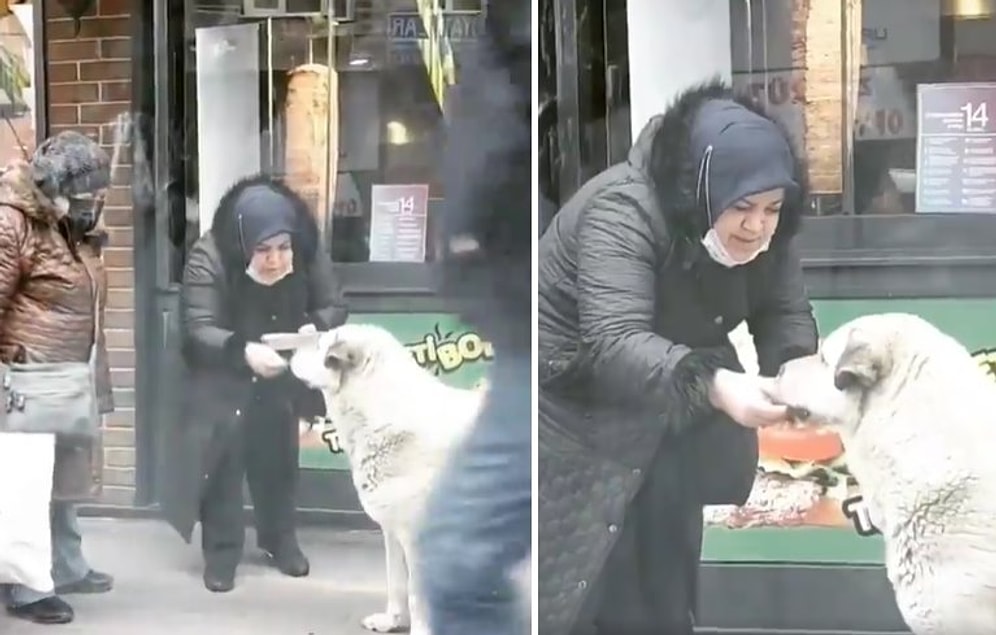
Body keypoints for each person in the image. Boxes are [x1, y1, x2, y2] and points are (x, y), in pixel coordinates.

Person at [537, 79, 819, 635]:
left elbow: (783, 310)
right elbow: (614, 339)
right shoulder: (621, 210)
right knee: (582, 591)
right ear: (703, 193)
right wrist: (715, 383)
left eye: (772, 208)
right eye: (742, 208)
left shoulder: (768, 227)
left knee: (663, 592)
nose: (758, 225)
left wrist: (795, 369)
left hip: (668, 414)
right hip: (578, 416)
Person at [160, 174, 348, 593]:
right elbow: (199, 326)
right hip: (222, 366)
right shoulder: (209, 254)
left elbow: (334, 304)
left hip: (282, 368)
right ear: (244, 244)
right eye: (263, 250)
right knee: (223, 463)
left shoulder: (308, 245)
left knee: (278, 459)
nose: (276, 260)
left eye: (283, 248)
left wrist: (313, 327)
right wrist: (241, 351)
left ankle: (279, 541)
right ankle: (222, 554)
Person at [416, 0, 532, 633]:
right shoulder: (500, 38)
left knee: (458, 557)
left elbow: (493, 148)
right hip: (527, 326)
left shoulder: (515, 36)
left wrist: (470, 234)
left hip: (543, 329)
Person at [0, 131, 116, 625]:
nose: (90, 203)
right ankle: (27, 584)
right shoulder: (12, 223)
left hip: (69, 372)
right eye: (82, 192)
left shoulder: (71, 226)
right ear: (49, 184)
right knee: (24, 486)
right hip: (26, 378)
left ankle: (65, 565)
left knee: (65, 478)